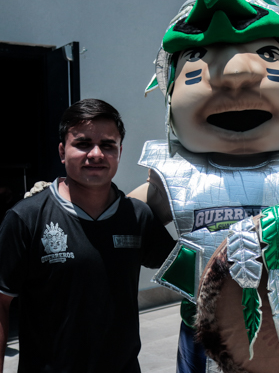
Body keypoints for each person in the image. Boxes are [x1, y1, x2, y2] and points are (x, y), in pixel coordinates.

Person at [128, 0, 279, 371]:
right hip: (200, 329)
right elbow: (113, 217)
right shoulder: (172, 174)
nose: (234, 73)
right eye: (196, 61)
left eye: (267, 52)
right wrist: (61, 200)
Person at [0, 99, 175, 373]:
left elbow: (191, 274)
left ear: (119, 151)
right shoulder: (27, 218)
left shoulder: (138, 216)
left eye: (107, 145)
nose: (96, 154)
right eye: (82, 144)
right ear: (62, 151)